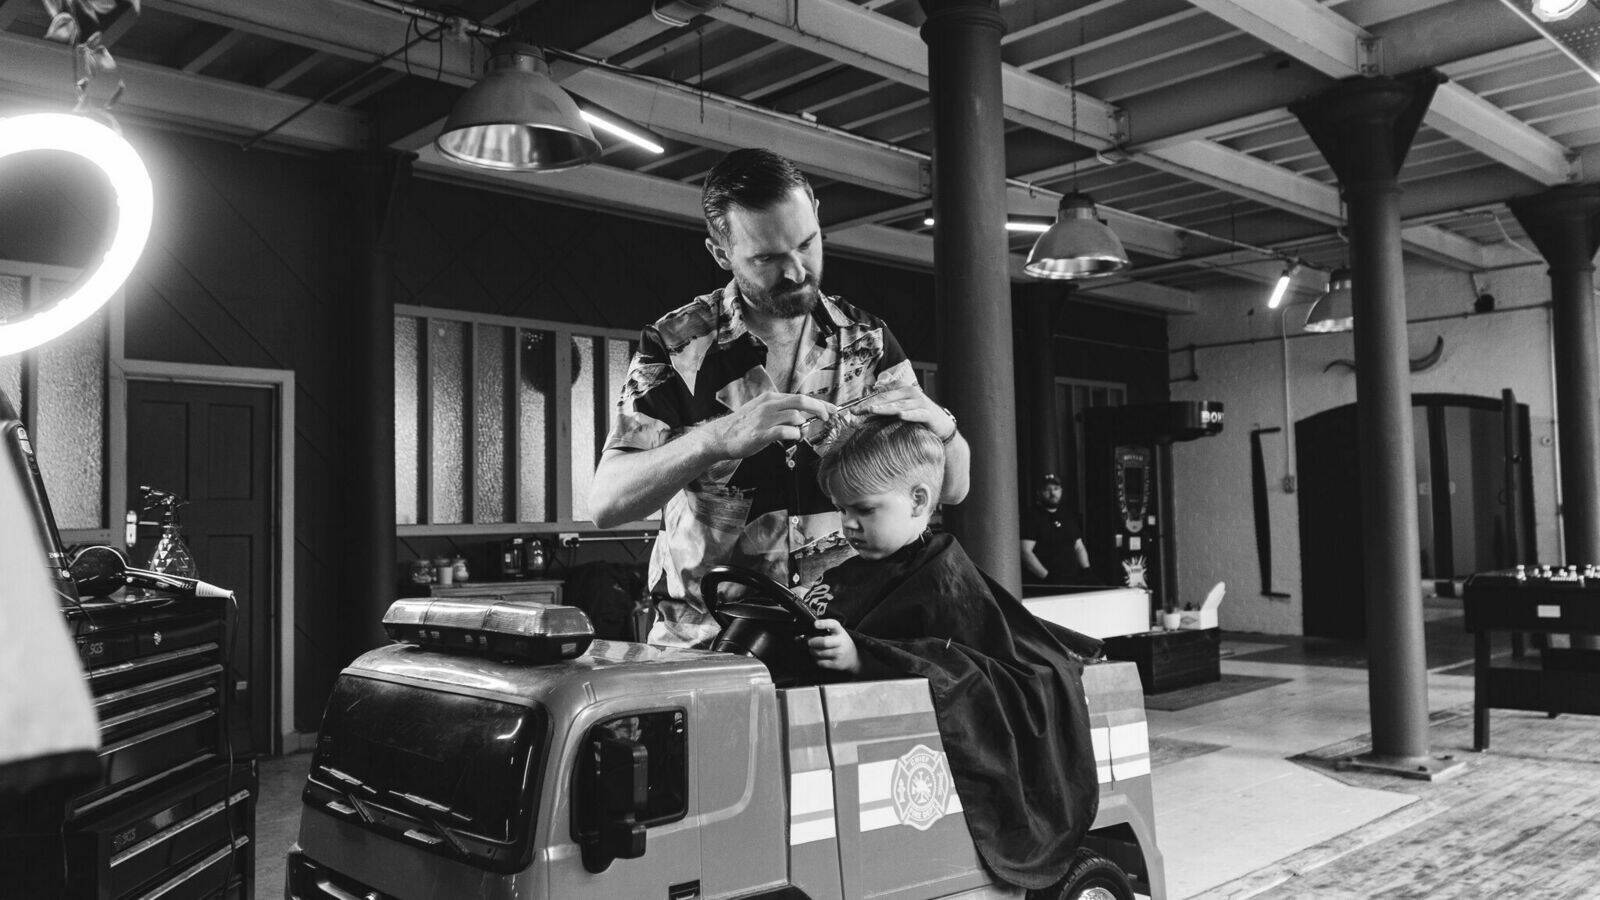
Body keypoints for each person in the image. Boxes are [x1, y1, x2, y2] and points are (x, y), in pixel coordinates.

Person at [590, 148, 970, 649]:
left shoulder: (868, 341)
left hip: (841, 640)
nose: (795, 272)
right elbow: (606, 504)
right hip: (709, 643)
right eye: (767, 258)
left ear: (817, 214)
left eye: (806, 244)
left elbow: (953, 489)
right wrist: (716, 440)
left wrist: (946, 430)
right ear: (721, 255)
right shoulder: (675, 344)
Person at [800, 417, 1101, 891]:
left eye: (864, 509)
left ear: (919, 500)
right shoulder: (849, 573)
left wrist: (862, 656)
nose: (849, 525)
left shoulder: (943, 576)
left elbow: (967, 664)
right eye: (841, 510)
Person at [1020, 473, 1091, 586]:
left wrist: (1086, 571)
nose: (1052, 493)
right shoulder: (1031, 517)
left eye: (1056, 489)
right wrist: (1047, 577)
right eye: (1047, 490)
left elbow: (1079, 547)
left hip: (1073, 581)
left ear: (1061, 491)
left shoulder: (1067, 515)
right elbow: (1025, 552)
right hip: (1046, 584)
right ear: (1039, 493)